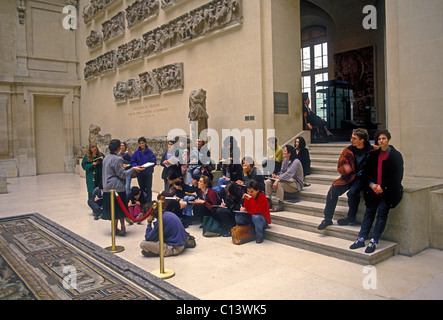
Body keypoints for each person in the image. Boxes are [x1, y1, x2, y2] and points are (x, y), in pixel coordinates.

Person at [350, 130, 404, 253]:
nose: (381, 141)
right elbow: (367, 172)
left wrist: (383, 187)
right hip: (373, 190)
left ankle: (373, 241)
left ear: (388, 139)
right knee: (369, 213)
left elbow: (397, 176)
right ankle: (361, 238)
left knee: (381, 214)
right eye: (379, 139)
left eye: (384, 138)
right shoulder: (374, 155)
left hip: (388, 191)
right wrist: (372, 184)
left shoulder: (396, 156)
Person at [317, 128, 374, 230]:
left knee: (352, 193)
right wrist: (345, 169)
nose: (351, 140)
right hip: (348, 177)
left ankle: (351, 217)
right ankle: (327, 218)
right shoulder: (348, 150)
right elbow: (340, 165)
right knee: (333, 190)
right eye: (351, 137)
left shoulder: (372, 150)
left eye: (354, 138)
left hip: (362, 178)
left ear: (362, 140)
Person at [102, 139, 145, 236]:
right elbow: (122, 174)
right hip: (117, 187)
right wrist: (133, 168)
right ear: (118, 148)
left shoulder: (106, 158)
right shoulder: (117, 159)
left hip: (107, 187)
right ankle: (122, 227)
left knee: (113, 210)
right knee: (120, 209)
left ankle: (114, 228)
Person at [265, 145, 304, 212]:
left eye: (284, 151)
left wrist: (278, 179)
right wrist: (276, 176)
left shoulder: (296, 162)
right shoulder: (285, 160)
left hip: (296, 183)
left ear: (289, 153)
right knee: (268, 181)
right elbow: (282, 172)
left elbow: (289, 174)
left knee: (280, 183)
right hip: (286, 180)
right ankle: (268, 201)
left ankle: (280, 203)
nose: (282, 152)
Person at [130, 137, 156, 202]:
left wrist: (148, 165)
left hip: (148, 173)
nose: (141, 145)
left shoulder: (150, 152)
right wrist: (136, 166)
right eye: (140, 143)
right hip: (140, 173)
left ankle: (149, 202)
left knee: (148, 188)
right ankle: (143, 202)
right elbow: (132, 161)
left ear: (145, 143)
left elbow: (153, 161)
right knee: (141, 189)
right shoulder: (136, 153)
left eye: (142, 143)